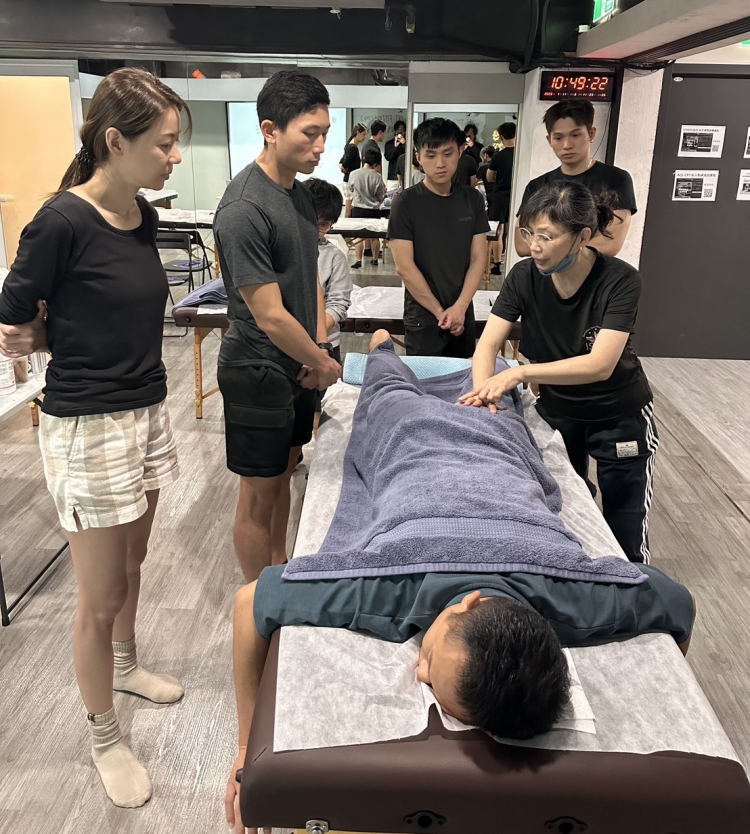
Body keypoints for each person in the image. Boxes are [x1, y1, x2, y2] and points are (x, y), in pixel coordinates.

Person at [224, 329, 696, 832]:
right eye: (431, 657)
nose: (419, 671)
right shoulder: (392, 583)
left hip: (482, 443)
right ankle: (382, 345)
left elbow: (676, 602)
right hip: (416, 432)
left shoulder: (577, 599)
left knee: (460, 397)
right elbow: (249, 604)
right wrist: (245, 748)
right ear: (468, 603)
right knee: (396, 386)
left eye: (426, 672)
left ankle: (398, 355)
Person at [0, 68, 190, 809]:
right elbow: (14, 317)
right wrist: (35, 337)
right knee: (99, 593)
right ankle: (105, 737)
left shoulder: (138, 216)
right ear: (116, 141)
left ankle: (126, 664)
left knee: (134, 563)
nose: (175, 156)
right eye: (165, 144)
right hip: (87, 422)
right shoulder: (59, 221)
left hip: (146, 410)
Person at [461, 182, 658, 564]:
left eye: (546, 237)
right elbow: (487, 345)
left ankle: (637, 588)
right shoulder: (524, 276)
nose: (533, 246)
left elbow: (600, 365)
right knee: (566, 510)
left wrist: (518, 374)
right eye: (528, 233)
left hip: (619, 415)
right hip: (559, 410)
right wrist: (484, 396)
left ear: (582, 237)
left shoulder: (620, 280)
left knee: (626, 529)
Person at [213, 70, 342, 585]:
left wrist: (317, 349)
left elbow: (310, 277)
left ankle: (279, 572)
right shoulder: (244, 207)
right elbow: (267, 314)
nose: (320, 146)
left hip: (298, 362)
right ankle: (256, 602)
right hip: (258, 368)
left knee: (285, 473)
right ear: (270, 130)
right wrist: (321, 362)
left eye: (324, 133)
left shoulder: (300, 194)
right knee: (258, 494)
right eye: (310, 134)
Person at [388, 118, 488, 358]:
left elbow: (478, 259)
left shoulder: (472, 200)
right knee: (424, 380)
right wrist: (440, 312)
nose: (440, 164)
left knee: (464, 379)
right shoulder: (405, 203)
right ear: (418, 157)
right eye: (431, 156)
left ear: (460, 152)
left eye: (448, 154)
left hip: (463, 313)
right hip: (423, 318)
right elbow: (404, 267)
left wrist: (460, 308)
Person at [514, 99, 637, 259]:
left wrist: (548, 245)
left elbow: (610, 244)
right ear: (549, 140)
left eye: (575, 135)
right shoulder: (537, 185)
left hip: (593, 273)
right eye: (558, 138)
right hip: (544, 272)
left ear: (591, 133)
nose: (567, 145)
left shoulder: (615, 180)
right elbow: (522, 244)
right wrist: (576, 246)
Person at [303, 177, 352, 366]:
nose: (314, 230)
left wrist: (312, 336)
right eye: (309, 221)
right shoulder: (280, 249)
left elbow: (338, 304)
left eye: (323, 225)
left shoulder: (334, 256)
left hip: (325, 344)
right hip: (285, 343)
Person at [349, 148, 387, 269]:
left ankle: (358, 260)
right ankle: (375, 259)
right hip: (373, 210)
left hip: (358, 209)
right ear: (376, 163)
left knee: (358, 236)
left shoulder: (353, 174)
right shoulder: (377, 177)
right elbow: (380, 195)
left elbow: (351, 189)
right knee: (374, 236)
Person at [487, 122, 516, 274]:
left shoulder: (498, 156)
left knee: (498, 229)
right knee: (514, 227)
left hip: (500, 195)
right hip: (516, 194)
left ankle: (497, 264)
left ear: (501, 137)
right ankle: (513, 261)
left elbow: (489, 177)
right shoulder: (520, 154)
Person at [340, 123, 366, 218]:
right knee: (348, 211)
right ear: (358, 133)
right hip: (350, 181)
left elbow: (341, 163)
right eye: (363, 134)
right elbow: (344, 164)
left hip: (349, 181)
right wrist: (343, 168)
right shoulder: (353, 148)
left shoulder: (349, 146)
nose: (365, 137)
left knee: (349, 209)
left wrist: (342, 167)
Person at [384, 119, 407, 190]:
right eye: (398, 130)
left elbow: (412, 156)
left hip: (405, 177)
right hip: (392, 178)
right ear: (395, 130)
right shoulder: (389, 144)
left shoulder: (407, 144)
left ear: (405, 131)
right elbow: (388, 157)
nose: (400, 132)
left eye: (402, 130)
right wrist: (395, 147)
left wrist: (405, 144)